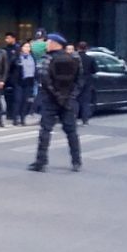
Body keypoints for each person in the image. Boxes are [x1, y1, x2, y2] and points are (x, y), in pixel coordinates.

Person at [28, 33, 82, 172]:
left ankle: (41, 162)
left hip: (51, 101)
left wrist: (57, 96)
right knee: (71, 132)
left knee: (45, 131)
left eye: (48, 41)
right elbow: (79, 81)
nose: (46, 44)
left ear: (55, 44)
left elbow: (45, 80)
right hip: (67, 100)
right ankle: (76, 161)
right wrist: (69, 97)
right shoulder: (74, 58)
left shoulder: (48, 59)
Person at [10, 43, 36, 126]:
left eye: (28, 46)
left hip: (29, 81)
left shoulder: (32, 57)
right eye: (25, 46)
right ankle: (15, 118)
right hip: (19, 81)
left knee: (25, 101)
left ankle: (22, 118)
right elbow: (11, 68)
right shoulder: (17, 57)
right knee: (18, 100)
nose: (27, 48)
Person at [76, 41, 98, 125]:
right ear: (86, 49)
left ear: (78, 48)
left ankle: (74, 117)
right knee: (85, 101)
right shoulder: (90, 59)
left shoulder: (75, 58)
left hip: (77, 80)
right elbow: (95, 70)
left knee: (75, 99)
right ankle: (85, 120)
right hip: (87, 81)